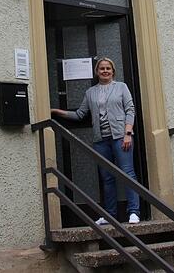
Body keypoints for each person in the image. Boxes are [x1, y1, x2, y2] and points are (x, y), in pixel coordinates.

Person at [51, 57, 141, 226]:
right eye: (102, 68)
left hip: (121, 137)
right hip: (101, 140)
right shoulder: (90, 92)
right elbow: (80, 114)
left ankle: (134, 212)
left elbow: (130, 110)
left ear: (113, 71)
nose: (105, 71)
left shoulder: (121, 87)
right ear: (97, 72)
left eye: (108, 68)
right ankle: (110, 215)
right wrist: (56, 111)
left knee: (128, 174)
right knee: (107, 178)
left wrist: (128, 133)